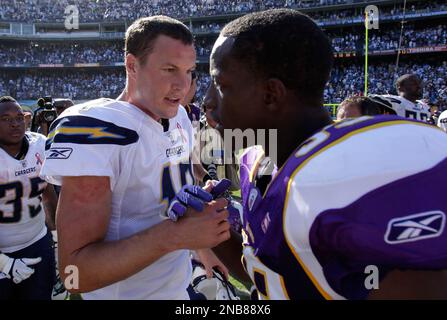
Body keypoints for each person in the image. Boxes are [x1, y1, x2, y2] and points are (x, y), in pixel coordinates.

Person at [207, 9, 447, 299]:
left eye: (220, 86)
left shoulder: (353, 177)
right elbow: (277, 275)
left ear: (271, 94)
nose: (207, 101)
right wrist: (213, 233)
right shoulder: (253, 163)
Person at [41, 16, 230, 300]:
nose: (183, 84)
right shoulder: (98, 129)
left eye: (190, 71)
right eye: (169, 69)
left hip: (177, 287)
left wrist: (202, 245)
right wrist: (176, 236)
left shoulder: (178, 116)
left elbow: (172, 200)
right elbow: (74, 274)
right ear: (132, 65)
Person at [0, 96, 58, 300]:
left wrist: (57, 235)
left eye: (18, 117)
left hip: (38, 241)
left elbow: (48, 192)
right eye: (5, 118)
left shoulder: (39, 144)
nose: (15, 123)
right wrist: (4, 263)